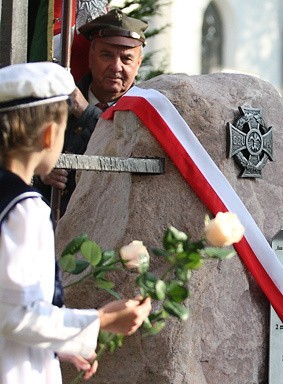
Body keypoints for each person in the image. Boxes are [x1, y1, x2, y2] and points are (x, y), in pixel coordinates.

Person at [0, 62, 152, 383]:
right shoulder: (24, 208)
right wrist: (101, 320)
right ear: (48, 135)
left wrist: (62, 343)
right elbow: (13, 314)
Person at [38, 8, 148, 216]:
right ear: (90, 57)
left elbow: (126, 144)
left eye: (126, 59)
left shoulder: (149, 111)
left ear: (138, 64)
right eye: (107, 55)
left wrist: (86, 113)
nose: (116, 67)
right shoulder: (53, 105)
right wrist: (42, 171)